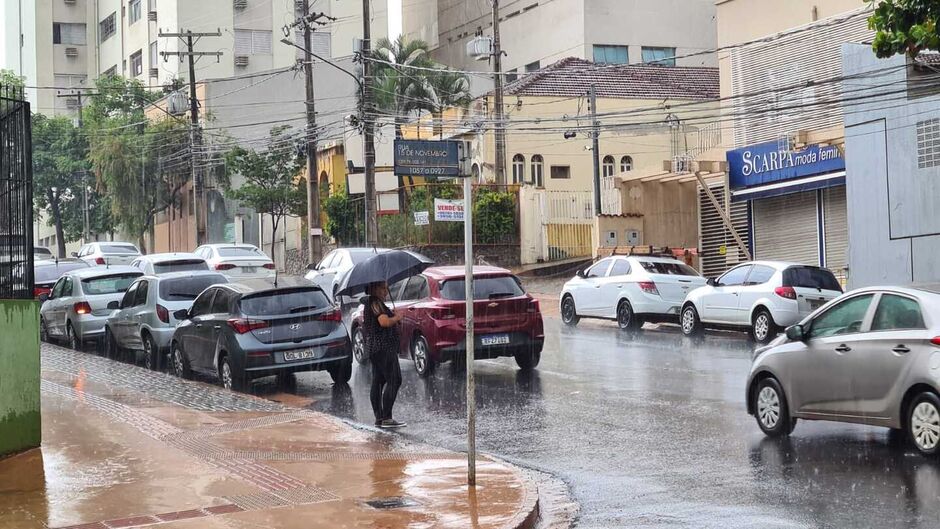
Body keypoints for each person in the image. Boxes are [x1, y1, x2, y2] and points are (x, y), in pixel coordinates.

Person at [362, 281, 406, 429]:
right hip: (384, 348)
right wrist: (396, 318)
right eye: (382, 288)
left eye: (386, 288)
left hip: (375, 348)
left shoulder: (372, 303)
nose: (386, 291)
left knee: (378, 381)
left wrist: (393, 315)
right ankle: (386, 417)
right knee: (395, 380)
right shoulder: (375, 303)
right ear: (374, 288)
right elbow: (384, 322)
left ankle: (379, 418)